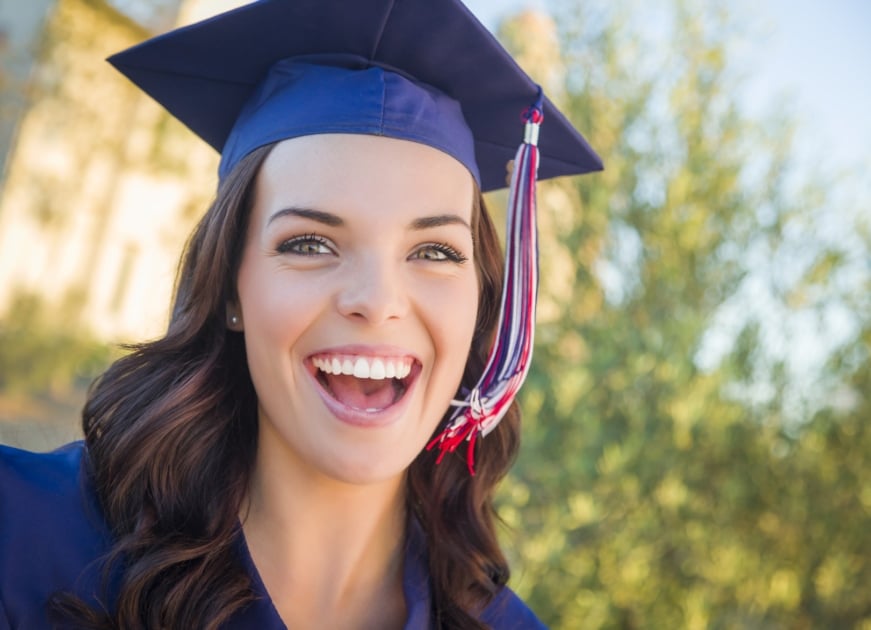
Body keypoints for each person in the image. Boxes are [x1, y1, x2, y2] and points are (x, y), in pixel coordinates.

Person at [0, 0, 601, 628]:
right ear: (230, 287)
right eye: (310, 244)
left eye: (434, 251)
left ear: (481, 302)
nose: (378, 300)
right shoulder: (25, 537)